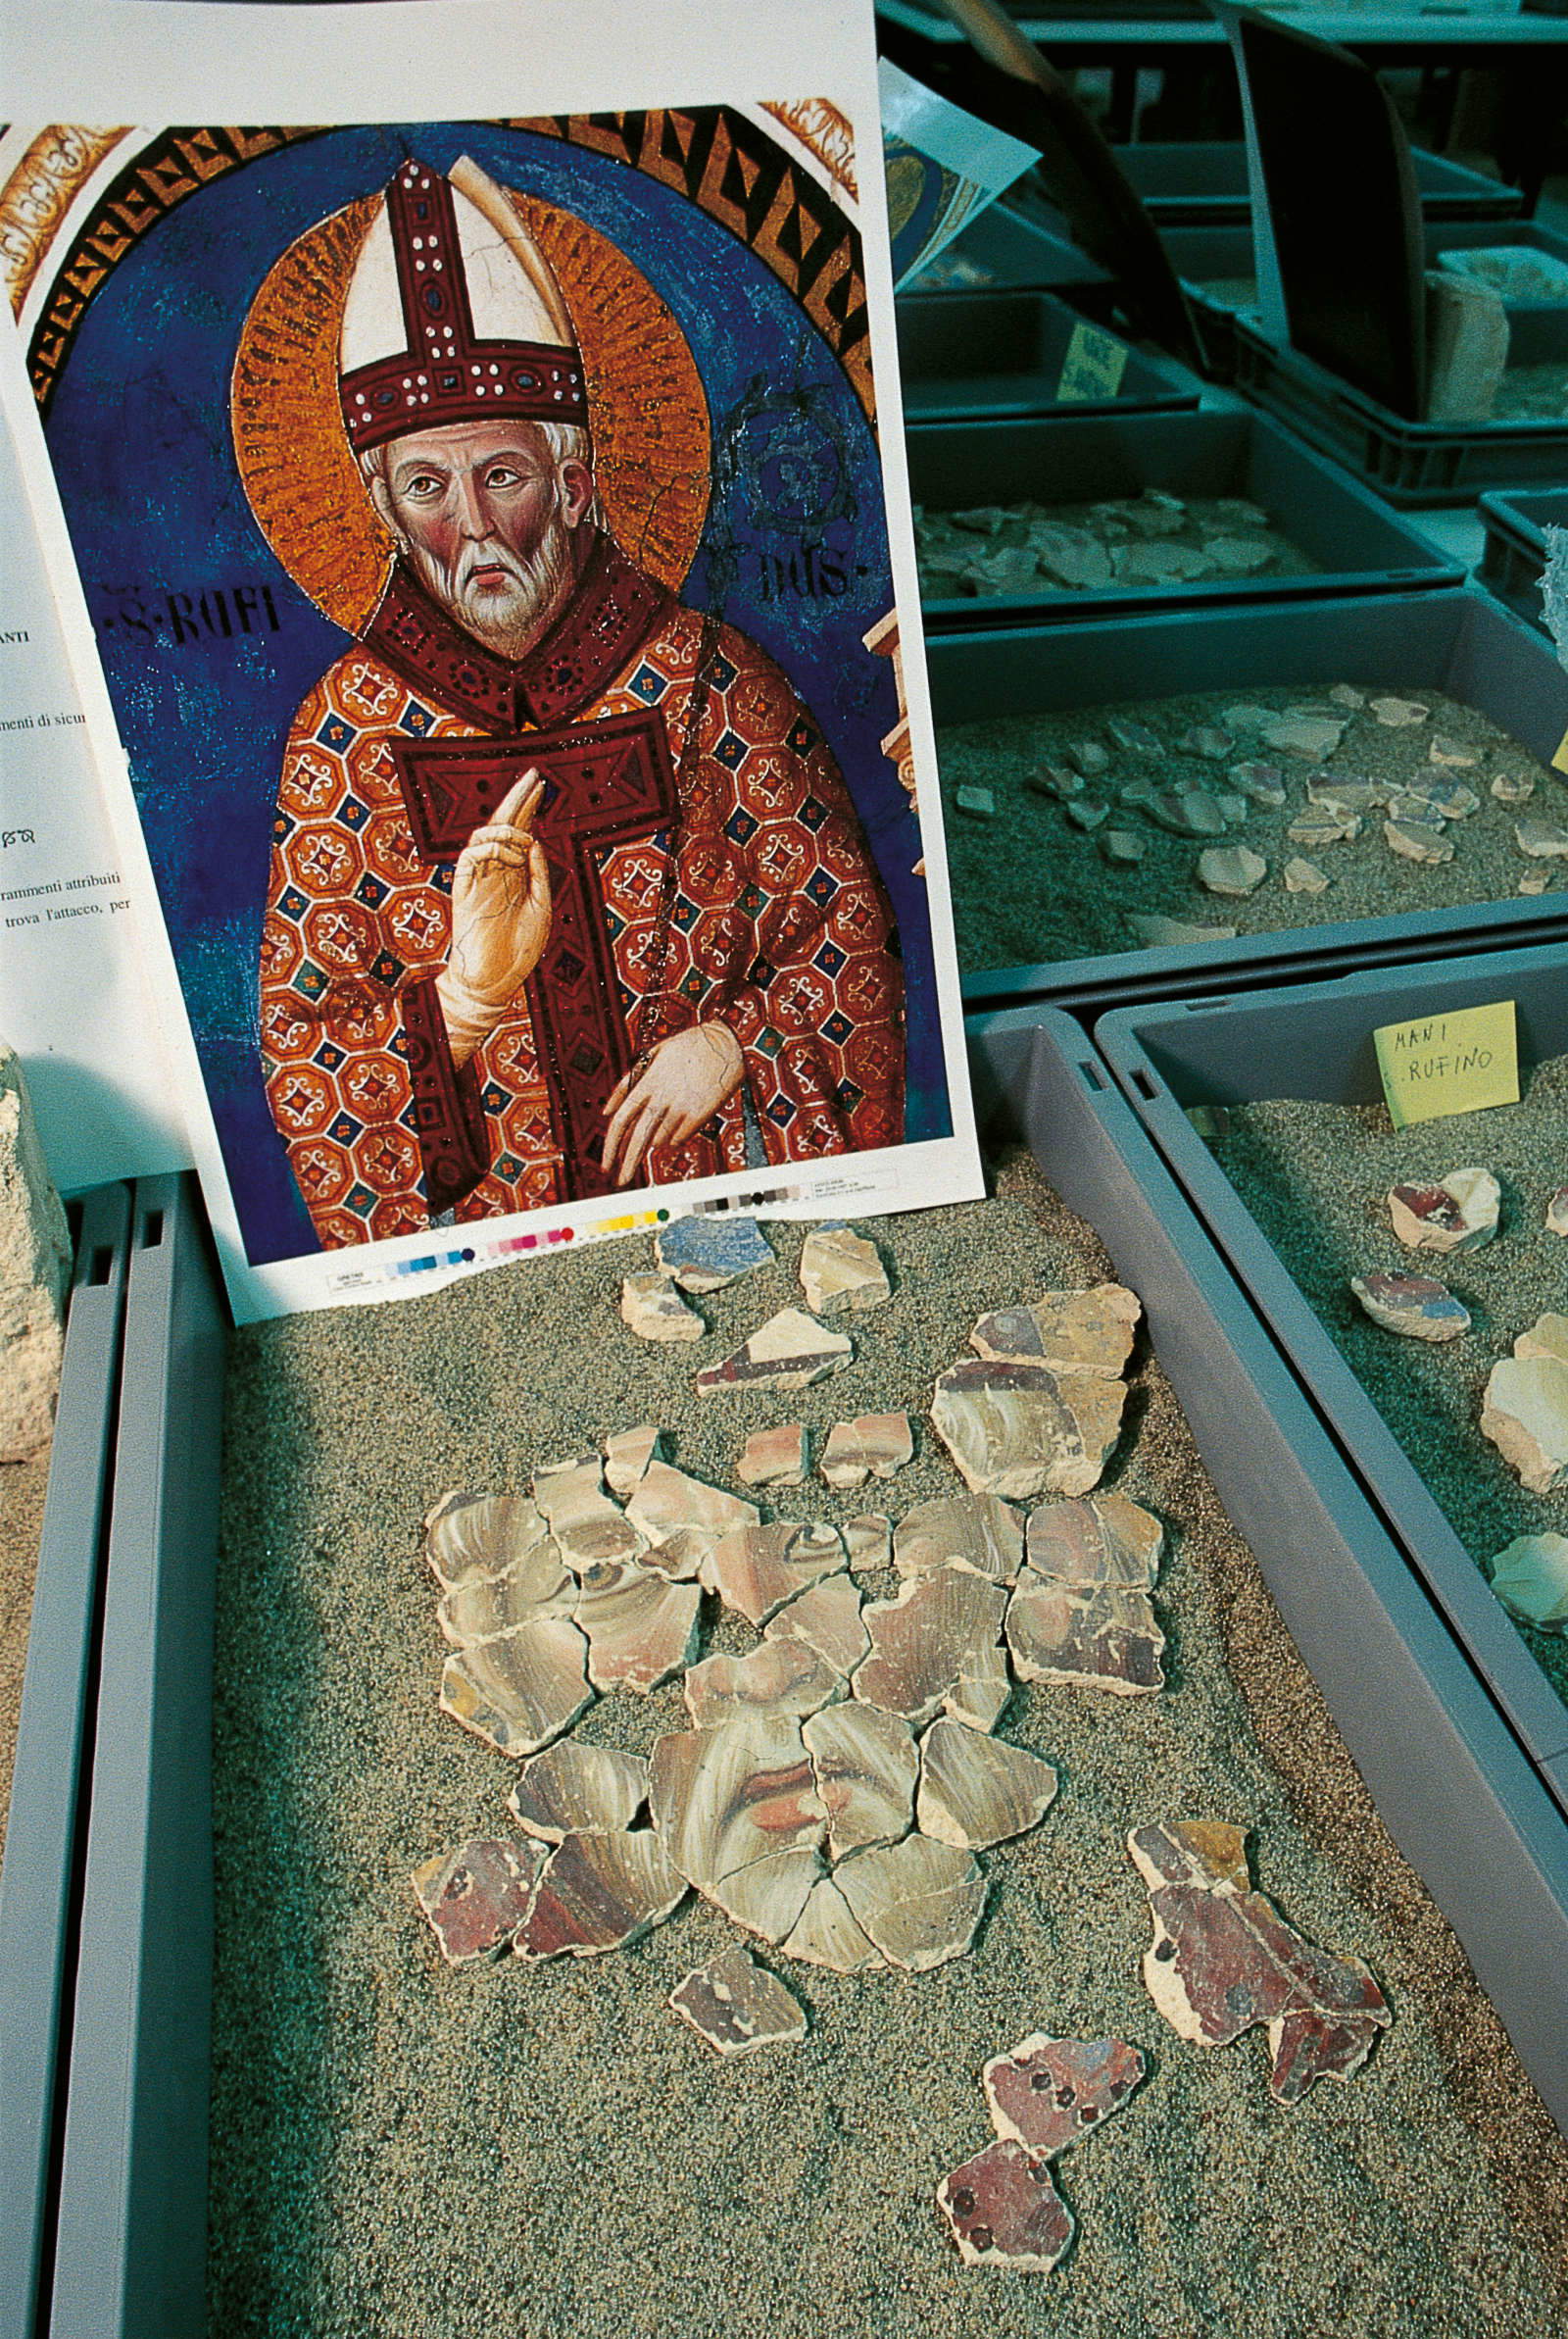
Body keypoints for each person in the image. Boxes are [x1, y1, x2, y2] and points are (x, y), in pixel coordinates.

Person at [260, 155, 906, 1248]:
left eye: (500, 475)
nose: (467, 523)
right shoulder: (349, 734)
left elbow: (848, 935)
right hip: (500, 1251)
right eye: (426, 484)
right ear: (382, 506)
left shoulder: (708, 679)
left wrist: (736, 1043)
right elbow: (302, 1053)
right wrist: (460, 1004)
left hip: (727, 1207)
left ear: (571, 480)